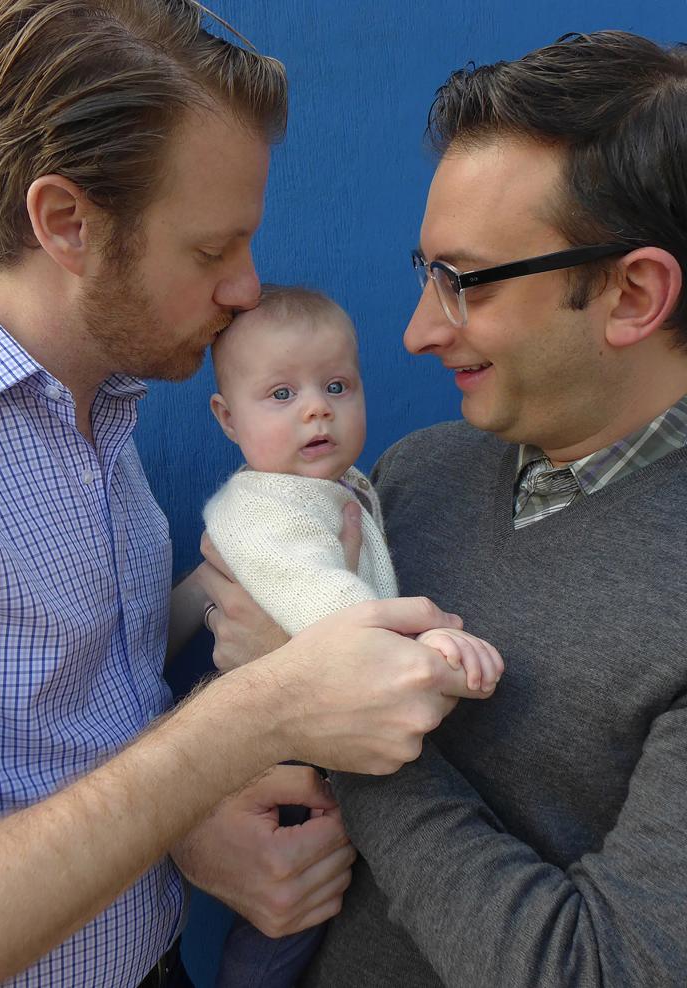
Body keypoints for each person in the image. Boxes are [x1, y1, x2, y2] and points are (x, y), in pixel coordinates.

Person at [0, 2, 498, 986]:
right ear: (65, 222)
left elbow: (81, 757)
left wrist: (185, 832)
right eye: (212, 251)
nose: (246, 289)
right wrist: (254, 717)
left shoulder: (109, 413)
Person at [295, 29, 687, 987]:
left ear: (632, 293)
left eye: (462, 282)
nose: (419, 331)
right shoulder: (415, 475)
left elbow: (598, 970)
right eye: (427, 273)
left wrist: (345, 724)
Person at [200, 285, 503, 988]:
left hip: (327, 742)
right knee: (288, 918)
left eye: (337, 385)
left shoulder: (344, 484)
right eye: (280, 394)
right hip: (288, 763)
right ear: (227, 417)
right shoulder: (265, 506)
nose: (317, 408)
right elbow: (321, 598)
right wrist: (425, 647)